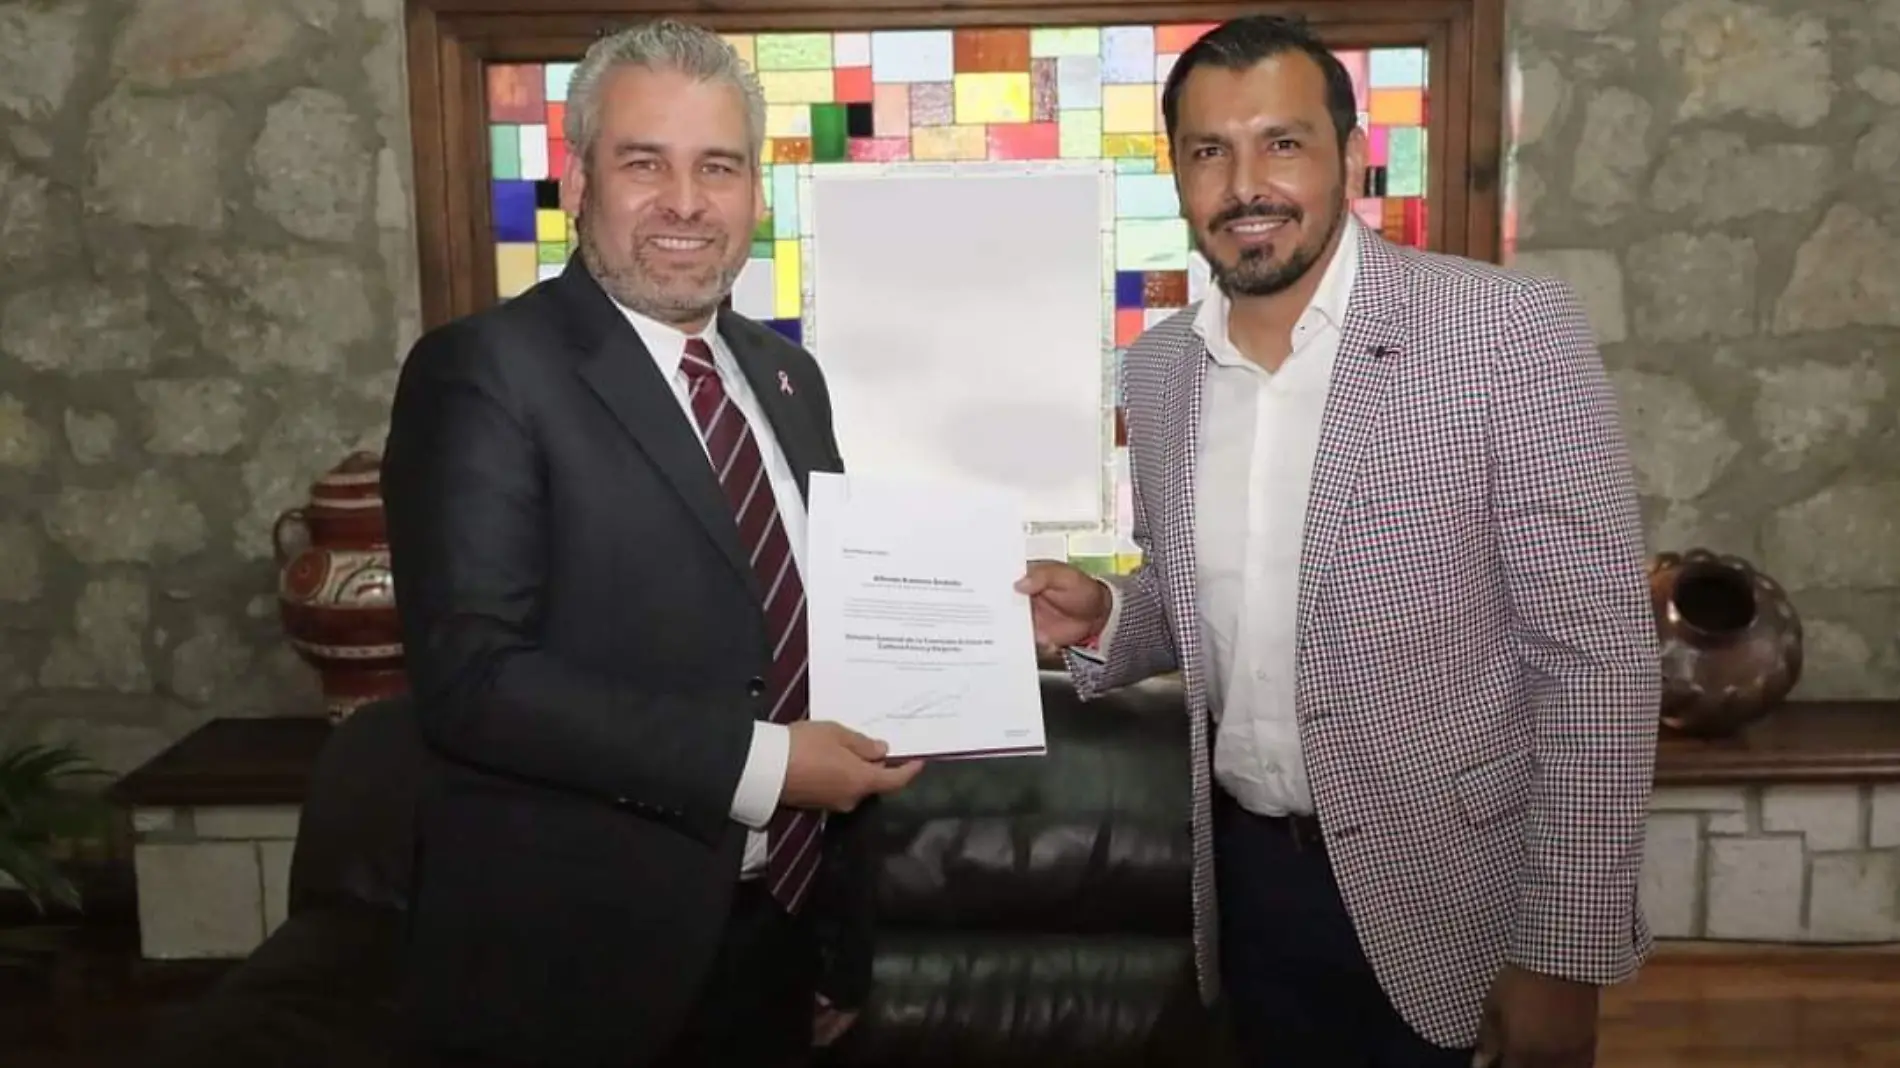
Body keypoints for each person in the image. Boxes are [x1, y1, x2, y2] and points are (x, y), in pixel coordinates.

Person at [1016, 14, 1658, 1068]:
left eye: (1282, 142)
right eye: (1209, 151)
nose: (1245, 185)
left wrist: (1560, 952)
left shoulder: (1500, 331)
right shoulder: (1161, 369)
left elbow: (1598, 663)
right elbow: (1203, 598)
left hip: (1460, 899)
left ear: (1350, 156)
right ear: (1177, 174)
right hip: (1251, 888)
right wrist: (1107, 614)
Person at [380, 19, 921, 1068]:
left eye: (717, 166)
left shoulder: (788, 380)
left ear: (754, 193)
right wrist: (769, 766)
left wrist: (833, 947)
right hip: (577, 970)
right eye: (644, 163)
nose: (685, 202)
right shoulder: (483, 371)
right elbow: (474, 680)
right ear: (578, 180)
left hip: (778, 935)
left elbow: (811, 631)